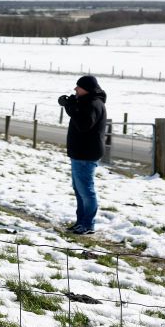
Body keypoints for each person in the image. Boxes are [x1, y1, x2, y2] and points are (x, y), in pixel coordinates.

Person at [58, 75, 107, 234]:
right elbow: (79, 117)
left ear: (86, 89)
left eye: (78, 87)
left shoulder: (93, 104)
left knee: (86, 190)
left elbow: (84, 125)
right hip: (80, 153)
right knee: (79, 190)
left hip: (86, 154)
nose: (75, 89)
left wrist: (71, 107)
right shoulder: (87, 102)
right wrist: (70, 104)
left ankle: (88, 224)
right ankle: (81, 222)